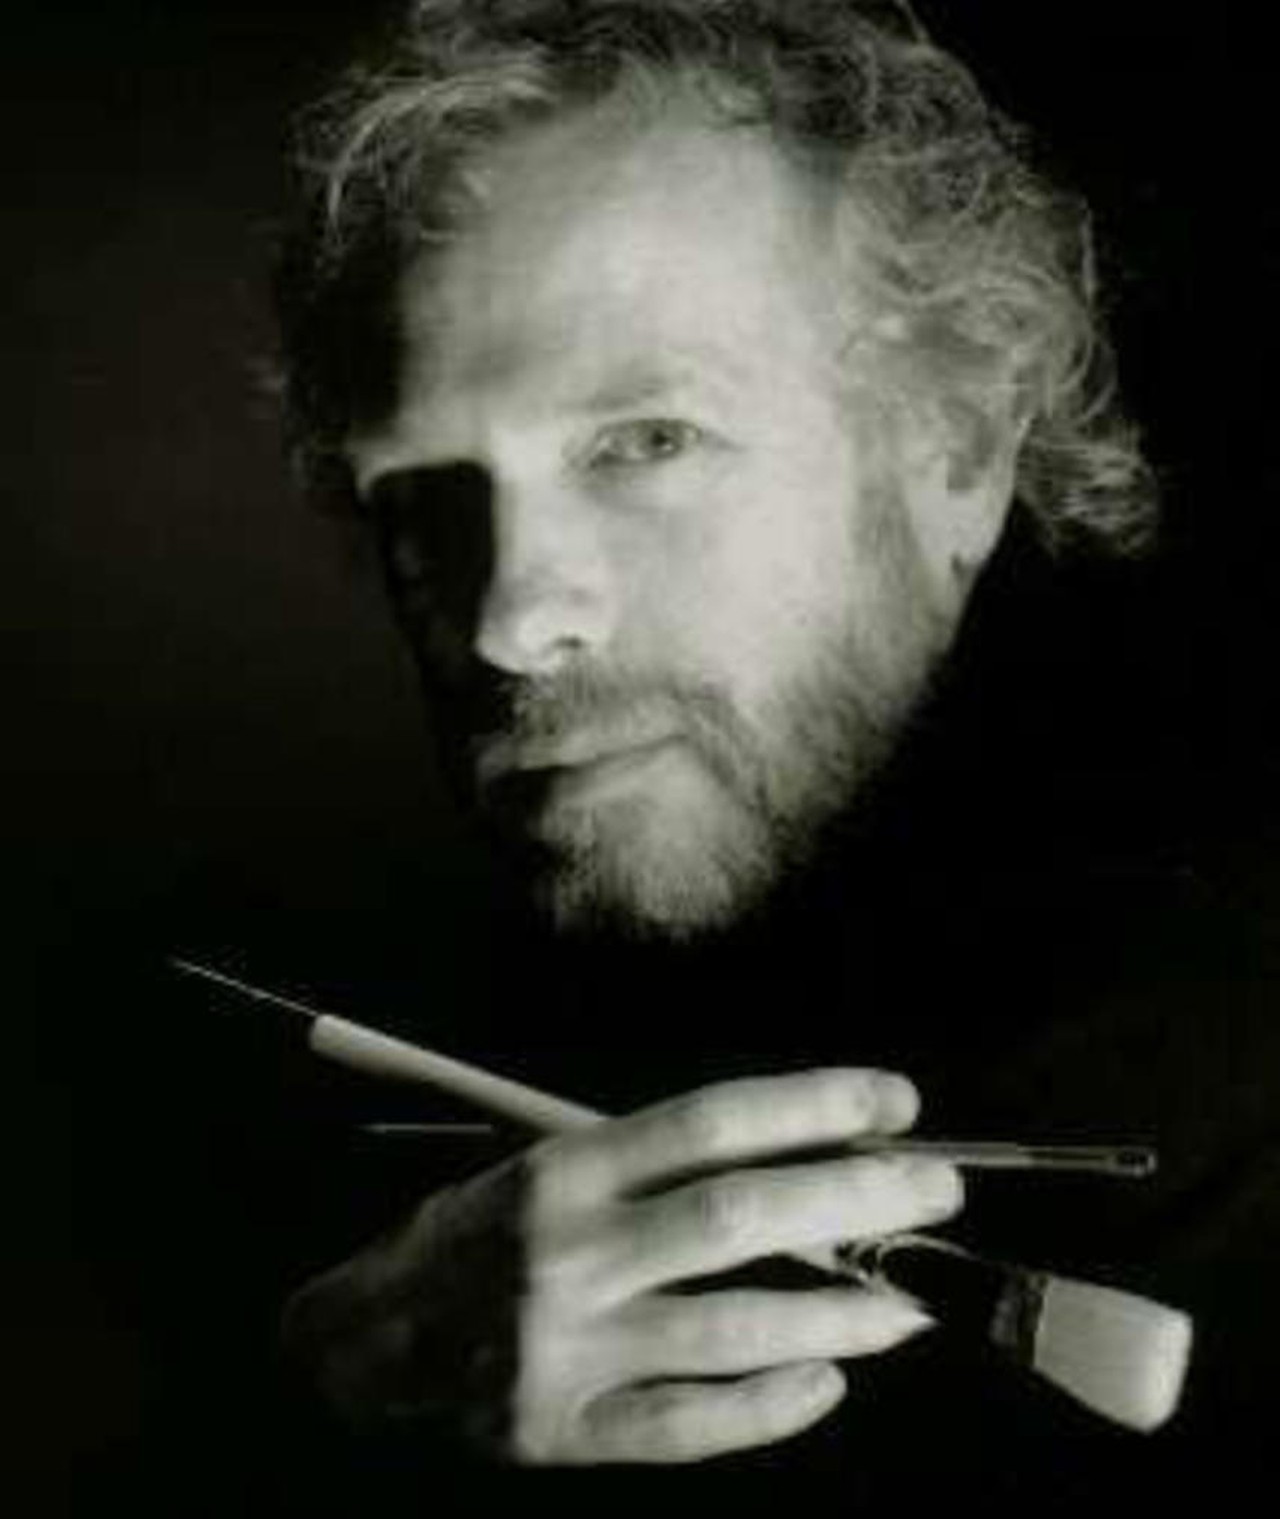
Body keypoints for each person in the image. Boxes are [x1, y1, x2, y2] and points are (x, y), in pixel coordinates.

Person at [224, 0, 1269, 1507]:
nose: (511, 622)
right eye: (424, 506)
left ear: (958, 447)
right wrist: (325, 1412)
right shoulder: (398, 1026)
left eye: (646, 441)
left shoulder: (1220, 1057)